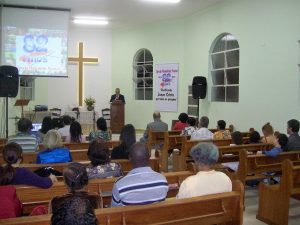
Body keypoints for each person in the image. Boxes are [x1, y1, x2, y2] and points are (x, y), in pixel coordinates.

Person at [111, 143, 168, 207]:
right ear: (149, 157)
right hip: (157, 216)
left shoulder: (120, 185)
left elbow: (114, 210)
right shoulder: (162, 180)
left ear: (129, 158)